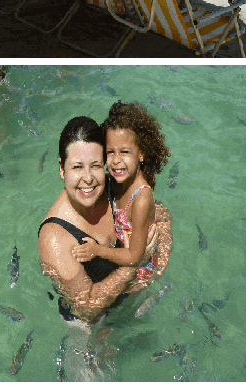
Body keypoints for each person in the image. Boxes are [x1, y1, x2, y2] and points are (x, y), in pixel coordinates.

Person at [38, 116, 170, 323]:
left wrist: (157, 266)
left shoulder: (111, 187)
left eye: (96, 165)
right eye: (77, 167)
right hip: (90, 327)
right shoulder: (55, 237)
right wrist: (135, 263)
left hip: (134, 299)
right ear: (61, 168)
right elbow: (85, 309)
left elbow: (159, 213)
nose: (88, 178)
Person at [71, 102, 171, 286]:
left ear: (142, 153)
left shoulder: (141, 199)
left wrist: (97, 250)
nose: (116, 161)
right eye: (110, 152)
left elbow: (134, 256)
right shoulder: (116, 183)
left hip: (138, 270)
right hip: (120, 251)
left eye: (125, 152)